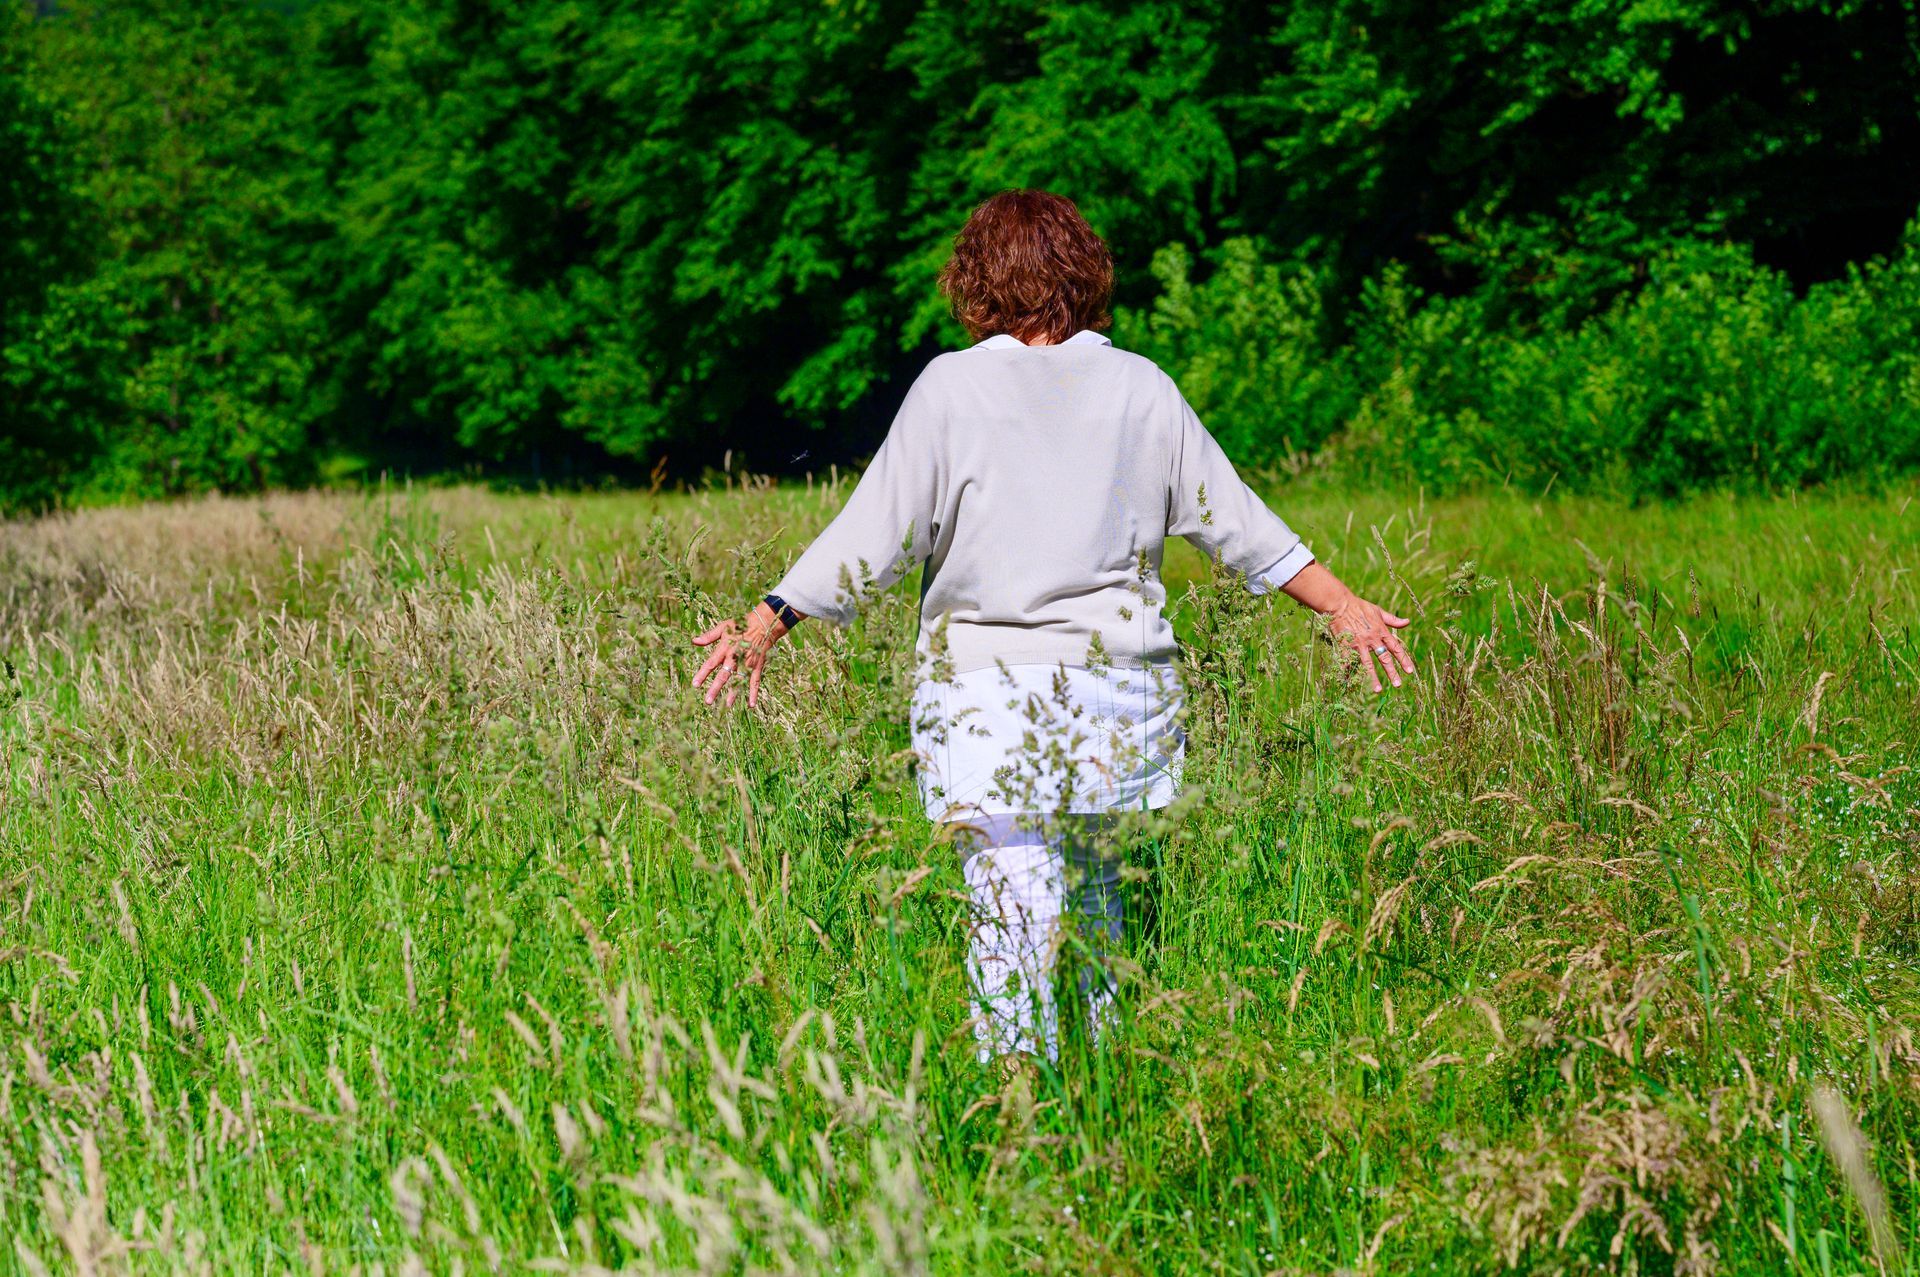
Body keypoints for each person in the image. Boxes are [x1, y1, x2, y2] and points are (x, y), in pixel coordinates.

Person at [692, 190, 1413, 1061]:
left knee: (1010, 918)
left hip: (986, 702)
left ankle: (1021, 1110)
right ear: (1084, 273)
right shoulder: (1141, 386)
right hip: (1120, 698)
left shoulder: (951, 387)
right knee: (1103, 917)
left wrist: (769, 619)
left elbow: (872, 534)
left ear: (976, 281)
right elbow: (1236, 520)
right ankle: (1107, 1100)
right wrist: (1341, 605)